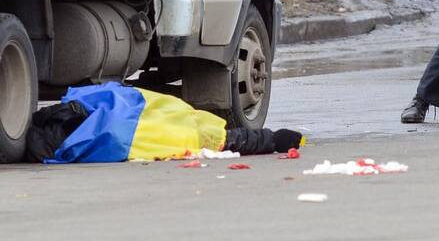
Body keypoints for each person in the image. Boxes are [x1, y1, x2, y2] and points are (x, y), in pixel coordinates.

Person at [26, 82, 303, 163]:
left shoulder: (181, 121)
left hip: (122, 112)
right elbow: (227, 141)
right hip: (125, 120)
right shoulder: (187, 132)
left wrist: (273, 139)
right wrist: (275, 140)